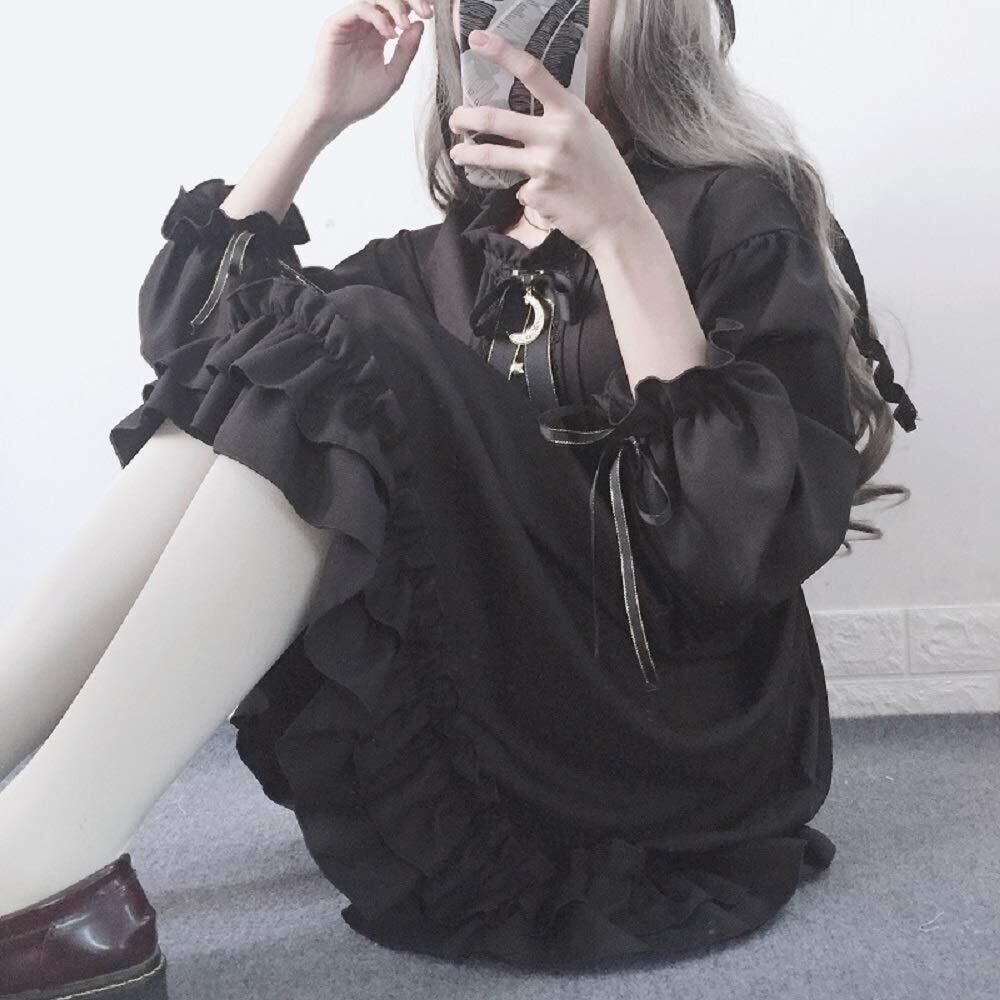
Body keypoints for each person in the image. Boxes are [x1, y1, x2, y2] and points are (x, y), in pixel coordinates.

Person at [0, 0, 919, 991]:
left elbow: (736, 543)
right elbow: (202, 357)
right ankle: (42, 848)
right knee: (304, 350)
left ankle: (37, 867)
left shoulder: (737, 213)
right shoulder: (454, 262)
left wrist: (621, 229)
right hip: (514, 694)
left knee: (356, 341)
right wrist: (314, 116)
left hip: (673, 726)